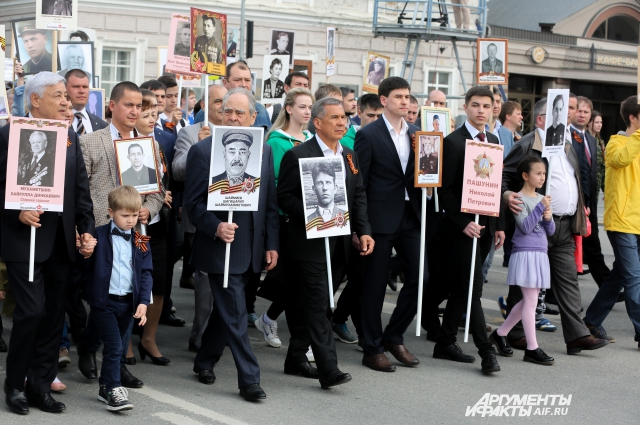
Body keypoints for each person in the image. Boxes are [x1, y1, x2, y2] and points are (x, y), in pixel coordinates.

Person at [1, 71, 96, 415]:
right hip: (24, 240)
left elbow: (80, 189)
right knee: (31, 312)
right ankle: (14, 385)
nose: (65, 102)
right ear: (35, 100)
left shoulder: (69, 135)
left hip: (60, 241)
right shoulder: (10, 134)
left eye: (66, 97)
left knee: (55, 316)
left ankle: (40, 385)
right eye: (58, 96)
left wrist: (87, 229)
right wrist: (16, 212)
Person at [184, 87, 279, 401]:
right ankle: (249, 379)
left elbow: (268, 203)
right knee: (236, 313)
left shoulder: (263, 151)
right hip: (219, 248)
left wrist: (270, 244)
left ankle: (205, 359)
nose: (234, 117)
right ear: (219, 114)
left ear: (254, 118)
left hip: (253, 249)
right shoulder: (202, 152)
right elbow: (193, 205)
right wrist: (216, 226)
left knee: (227, 312)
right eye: (228, 111)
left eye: (241, 113)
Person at [277, 97, 374, 388]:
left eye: (344, 117)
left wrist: (363, 230)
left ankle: (295, 358)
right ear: (317, 123)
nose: (342, 122)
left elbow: (358, 196)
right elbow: (284, 197)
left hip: (340, 243)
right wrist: (313, 213)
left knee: (312, 302)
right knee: (320, 305)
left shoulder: (349, 155)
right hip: (309, 244)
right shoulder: (299, 155)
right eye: (335, 118)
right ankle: (328, 369)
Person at [502, 98, 609, 355]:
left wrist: (580, 205)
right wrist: (507, 195)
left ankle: (577, 336)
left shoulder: (567, 143)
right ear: (541, 119)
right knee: (525, 283)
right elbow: (505, 174)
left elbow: (575, 179)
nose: (567, 117)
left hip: (563, 223)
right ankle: (514, 334)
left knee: (568, 279)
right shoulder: (527, 143)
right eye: (560, 113)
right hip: (534, 224)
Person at [77, 81, 164, 389]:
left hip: (135, 233)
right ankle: (89, 348)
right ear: (112, 106)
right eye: (129, 105)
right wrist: (84, 231)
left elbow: (157, 193)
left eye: (139, 106)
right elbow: (80, 190)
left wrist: (147, 211)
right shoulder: (89, 142)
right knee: (101, 300)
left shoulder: (149, 145)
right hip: (100, 234)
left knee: (129, 298)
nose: (135, 111)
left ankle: (118, 362)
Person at [355, 77, 423, 372]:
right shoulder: (368, 134)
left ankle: (393, 335)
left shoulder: (419, 134)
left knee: (421, 278)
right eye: (398, 97)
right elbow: (361, 184)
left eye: (407, 97)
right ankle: (372, 348)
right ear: (384, 100)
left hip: (412, 215)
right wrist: (362, 227)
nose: (405, 102)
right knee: (375, 286)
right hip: (380, 219)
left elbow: (425, 173)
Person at [434, 85, 504, 374]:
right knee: (473, 287)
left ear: (492, 109)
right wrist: (463, 224)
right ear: (466, 107)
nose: (480, 111)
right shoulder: (453, 142)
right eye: (475, 105)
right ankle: (486, 351)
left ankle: (445, 341)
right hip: (461, 230)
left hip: (486, 227)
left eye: (485, 106)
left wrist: (498, 226)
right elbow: (445, 191)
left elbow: (495, 187)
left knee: (464, 287)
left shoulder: (495, 139)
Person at [252, 88, 315, 348]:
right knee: (290, 278)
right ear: (289, 109)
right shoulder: (276, 142)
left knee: (303, 280)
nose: (308, 111)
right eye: (302, 106)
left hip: (309, 217)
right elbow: (275, 180)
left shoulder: (312, 138)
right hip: (284, 217)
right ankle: (270, 319)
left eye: (310, 107)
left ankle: (269, 318)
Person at [84, 186, 152, 411]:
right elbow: (85, 265)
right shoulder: (98, 234)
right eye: (125, 215)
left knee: (111, 340)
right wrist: (85, 250)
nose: (131, 220)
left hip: (129, 303)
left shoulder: (141, 239)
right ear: (111, 212)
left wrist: (143, 302)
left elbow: (145, 273)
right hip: (104, 301)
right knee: (114, 347)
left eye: (134, 215)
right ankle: (110, 388)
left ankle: (87, 348)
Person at [173, 84, 228, 351]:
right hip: (202, 217)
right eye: (218, 101)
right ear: (205, 105)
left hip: (231, 216)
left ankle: (221, 333)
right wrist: (199, 146)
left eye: (226, 102)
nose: (223, 107)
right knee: (204, 281)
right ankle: (201, 335)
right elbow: (178, 171)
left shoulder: (239, 134)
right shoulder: (190, 133)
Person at [583, 95, 640, 347]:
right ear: (632, 118)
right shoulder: (616, 142)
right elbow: (619, 159)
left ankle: (592, 319)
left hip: (637, 222)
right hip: (621, 222)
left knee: (620, 276)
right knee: (634, 278)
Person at [490, 156, 556, 366]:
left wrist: (547, 216)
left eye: (544, 173)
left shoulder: (540, 198)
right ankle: (532, 348)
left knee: (530, 300)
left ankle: (500, 333)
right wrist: (539, 209)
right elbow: (526, 227)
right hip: (525, 253)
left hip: (540, 253)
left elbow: (551, 231)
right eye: (538, 173)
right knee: (530, 301)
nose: (542, 177)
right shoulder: (518, 198)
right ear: (525, 176)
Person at [571, 96, 611, 288]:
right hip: (575, 202)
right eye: (579, 110)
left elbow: (594, 171)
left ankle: (608, 287)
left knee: (593, 246)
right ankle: (608, 286)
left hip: (590, 203)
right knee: (578, 248)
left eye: (586, 112)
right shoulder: (568, 136)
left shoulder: (590, 139)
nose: (582, 114)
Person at [222, 60, 272, 130]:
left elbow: (264, 139)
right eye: (237, 80)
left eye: (247, 80)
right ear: (225, 83)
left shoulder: (260, 110)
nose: (243, 85)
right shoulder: (210, 109)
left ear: (253, 116)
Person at [66, 69, 108, 135]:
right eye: (76, 86)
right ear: (65, 88)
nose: (81, 91)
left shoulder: (102, 126)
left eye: (85, 87)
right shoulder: (57, 122)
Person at [587, 110, 606, 195]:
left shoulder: (600, 142)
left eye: (601, 122)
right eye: (597, 122)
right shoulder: (583, 139)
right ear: (589, 123)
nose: (600, 125)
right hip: (586, 183)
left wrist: (605, 189)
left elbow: (602, 167)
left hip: (596, 185)